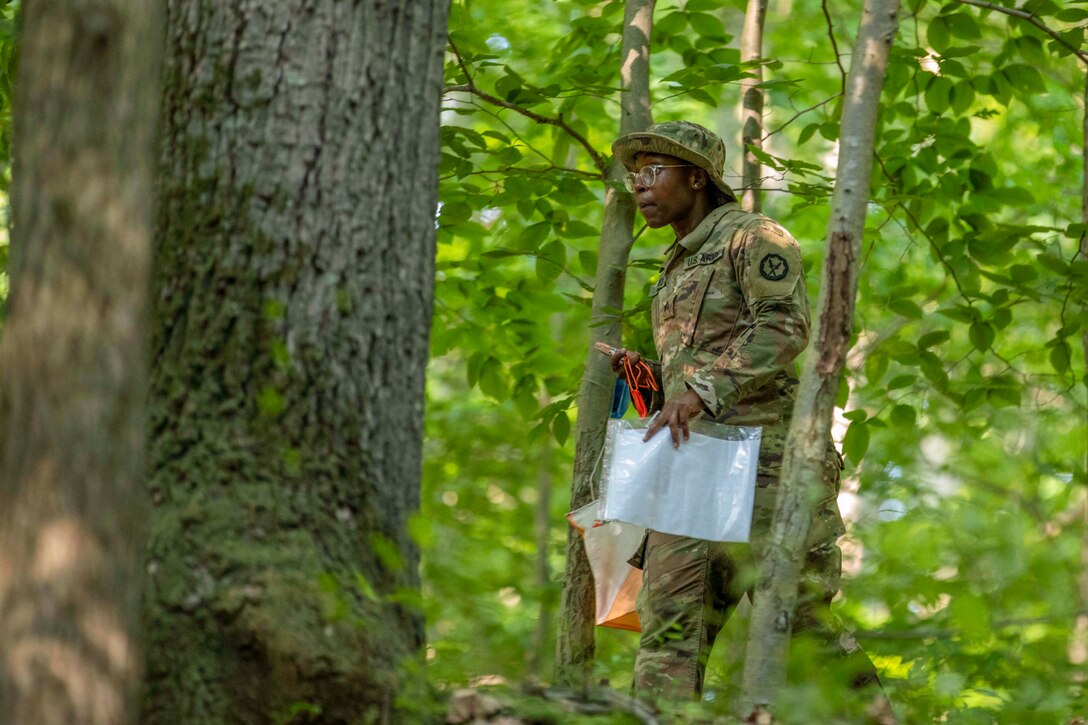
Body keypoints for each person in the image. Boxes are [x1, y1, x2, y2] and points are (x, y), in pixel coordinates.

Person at [607, 120, 880, 701]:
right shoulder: (674, 264)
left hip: (765, 467)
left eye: (654, 172)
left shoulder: (753, 236)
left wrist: (700, 390)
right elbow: (697, 368)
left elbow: (785, 326)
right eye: (635, 175)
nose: (640, 186)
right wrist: (650, 378)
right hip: (692, 468)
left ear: (697, 178)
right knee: (671, 630)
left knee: (801, 626)